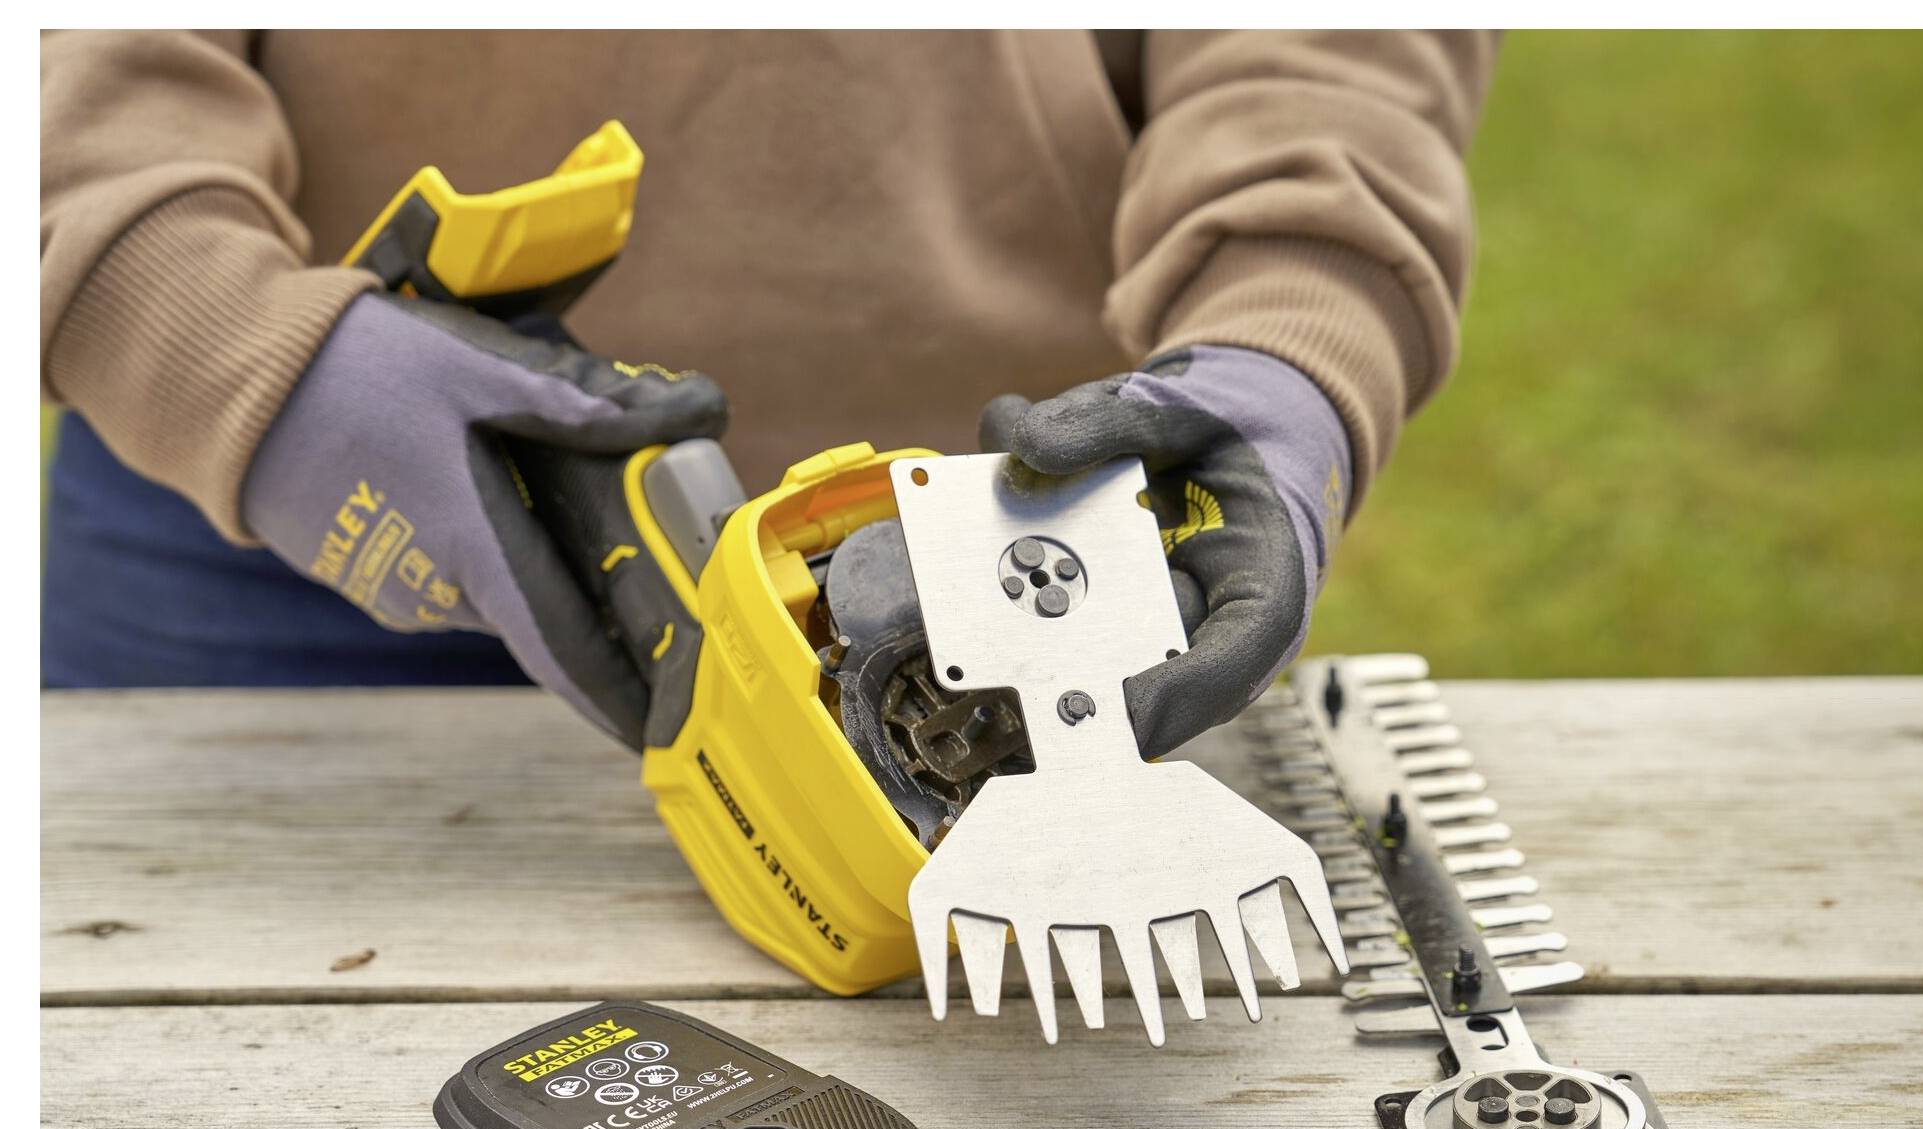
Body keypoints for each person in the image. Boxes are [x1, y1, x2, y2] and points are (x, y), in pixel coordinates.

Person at [40, 30, 1495, 757]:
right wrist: (203, 329)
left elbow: (1326, 50)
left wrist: (1286, 342)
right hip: (285, 494)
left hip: (979, 549)